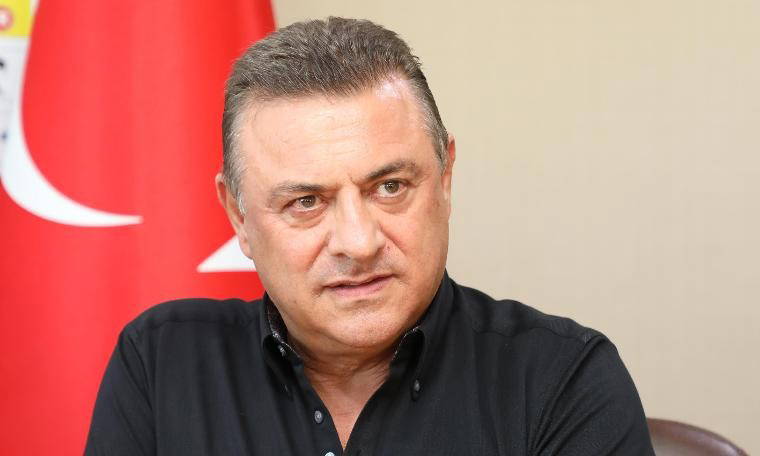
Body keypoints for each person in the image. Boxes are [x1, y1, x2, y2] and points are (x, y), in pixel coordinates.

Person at [85, 17, 655, 455]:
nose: (358, 244)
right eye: (306, 202)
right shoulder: (159, 366)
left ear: (445, 178)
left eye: (389, 187)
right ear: (238, 215)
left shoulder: (563, 379)